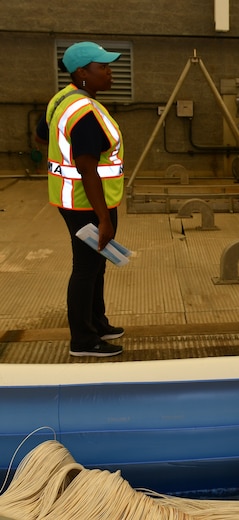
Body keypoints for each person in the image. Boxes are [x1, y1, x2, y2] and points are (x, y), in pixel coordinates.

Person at [36, 42, 125, 357]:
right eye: (103, 68)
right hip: (86, 203)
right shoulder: (84, 111)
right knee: (86, 268)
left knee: (96, 264)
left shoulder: (63, 98)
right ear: (82, 73)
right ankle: (84, 340)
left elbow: (41, 135)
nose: (109, 73)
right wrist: (103, 219)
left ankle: (97, 322)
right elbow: (87, 168)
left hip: (72, 199)